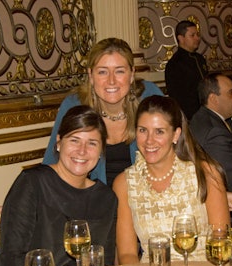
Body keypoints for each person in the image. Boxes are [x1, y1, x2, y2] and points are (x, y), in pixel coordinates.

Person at [113, 95, 232, 264]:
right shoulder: (125, 183)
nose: (149, 140)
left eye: (159, 131)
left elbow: (220, 245)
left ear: (176, 134)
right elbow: (127, 255)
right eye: (143, 130)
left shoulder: (205, 173)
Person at [0, 105, 117, 266]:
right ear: (58, 142)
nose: (82, 150)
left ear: (101, 151)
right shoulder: (33, 182)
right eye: (74, 140)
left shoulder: (106, 198)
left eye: (92, 143)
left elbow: (103, 264)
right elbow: (11, 260)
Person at [43, 37, 164, 187]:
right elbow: (51, 163)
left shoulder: (150, 97)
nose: (111, 81)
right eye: (102, 72)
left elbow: (179, 149)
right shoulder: (75, 105)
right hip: (93, 203)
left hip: (145, 199)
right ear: (91, 75)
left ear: (132, 74)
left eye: (119, 71)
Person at [190, 73, 232, 194]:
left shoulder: (200, 117)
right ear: (214, 99)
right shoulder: (215, 132)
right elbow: (231, 182)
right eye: (231, 92)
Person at [165, 20, 208, 120]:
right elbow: (177, 97)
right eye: (192, 35)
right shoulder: (174, 64)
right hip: (190, 116)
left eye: (197, 34)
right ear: (181, 38)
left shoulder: (200, 59)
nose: (197, 38)